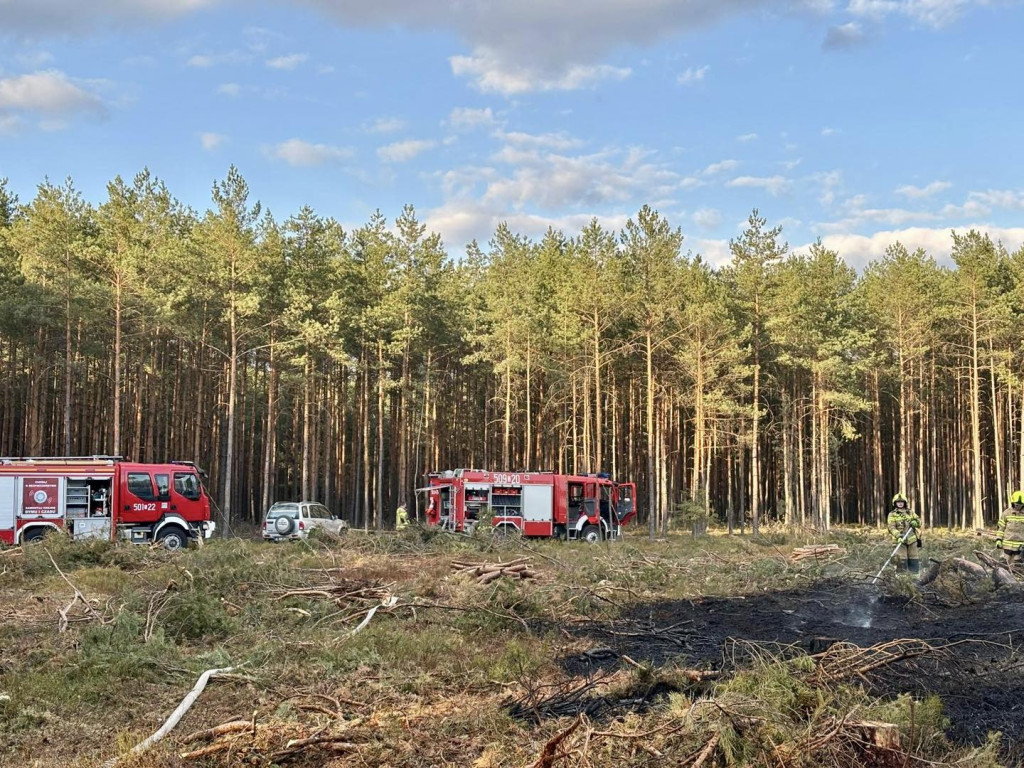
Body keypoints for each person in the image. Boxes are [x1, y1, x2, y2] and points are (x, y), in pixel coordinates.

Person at [886, 492, 922, 574]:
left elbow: (919, 521)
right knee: (902, 560)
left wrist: (916, 522)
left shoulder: (910, 512)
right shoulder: (892, 514)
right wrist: (898, 536)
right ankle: (901, 580)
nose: (900, 503)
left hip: (912, 540)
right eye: (898, 502)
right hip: (900, 541)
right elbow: (891, 527)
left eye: (902, 502)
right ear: (895, 503)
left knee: (914, 559)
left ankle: (914, 579)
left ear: (905, 503)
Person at [995, 491, 1024, 567]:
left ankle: (1016, 578)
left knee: (1018, 566)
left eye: (1020, 504)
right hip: (1006, 545)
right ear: (1013, 502)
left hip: (1020, 547)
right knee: (1003, 565)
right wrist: (998, 539)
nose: (1018, 506)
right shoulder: (1006, 513)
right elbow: (1000, 528)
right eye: (1016, 504)